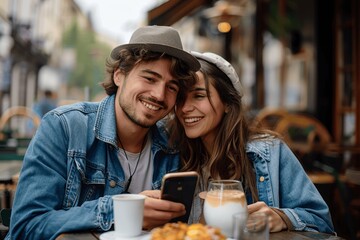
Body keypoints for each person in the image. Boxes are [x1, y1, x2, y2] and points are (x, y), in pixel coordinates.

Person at [6, 26, 200, 240]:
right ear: (119, 75)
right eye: (149, 79)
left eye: (172, 87)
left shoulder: (173, 143)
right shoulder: (64, 127)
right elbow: (25, 229)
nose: (159, 94)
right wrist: (120, 210)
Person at [167, 51, 335, 234]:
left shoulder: (270, 152)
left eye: (198, 96)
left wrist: (283, 218)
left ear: (228, 103)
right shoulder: (171, 153)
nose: (184, 108)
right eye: (180, 99)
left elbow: (322, 222)